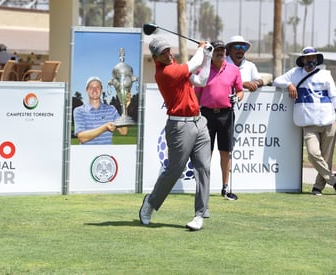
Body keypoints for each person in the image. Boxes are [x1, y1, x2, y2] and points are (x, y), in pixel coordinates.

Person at [139, 37, 213, 231]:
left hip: (199, 122)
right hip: (180, 127)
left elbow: (201, 80)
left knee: (204, 167)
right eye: (163, 53)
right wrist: (201, 50)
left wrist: (208, 56)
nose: (169, 54)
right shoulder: (166, 73)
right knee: (175, 171)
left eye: (168, 50)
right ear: (155, 58)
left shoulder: (176, 67)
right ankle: (151, 202)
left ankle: (199, 215)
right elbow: (194, 63)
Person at [273, 46, 336, 196]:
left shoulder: (325, 75)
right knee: (313, 154)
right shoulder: (295, 74)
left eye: (313, 58)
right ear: (302, 60)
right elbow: (276, 81)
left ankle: (317, 187)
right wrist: (288, 84)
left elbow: (334, 96)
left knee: (326, 158)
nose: (310, 61)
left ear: (317, 59)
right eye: (307, 58)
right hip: (308, 123)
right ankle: (333, 181)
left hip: (329, 121)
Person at [195, 40, 244, 200]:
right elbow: (196, 95)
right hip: (206, 114)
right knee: (205, 152)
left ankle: (225, 187)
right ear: (211, 52)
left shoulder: (234, 70)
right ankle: (204, 187)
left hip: (226, 114)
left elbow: (240, 91)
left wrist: (236, 98)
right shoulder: (203, 69)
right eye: (217, 50)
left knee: (225, 151)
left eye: (222, 50)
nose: (220, 53)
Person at [73, 76, 128, 145]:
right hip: (86, 154)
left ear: (101, 90)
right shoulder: (79, 111)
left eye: (98, 87)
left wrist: (124, 106)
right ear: (87, 90)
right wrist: (105, 127)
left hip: (105, 154)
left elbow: (124, 131)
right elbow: (82, 137)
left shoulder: (111, 109)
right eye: (91, 87)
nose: (94, 90)